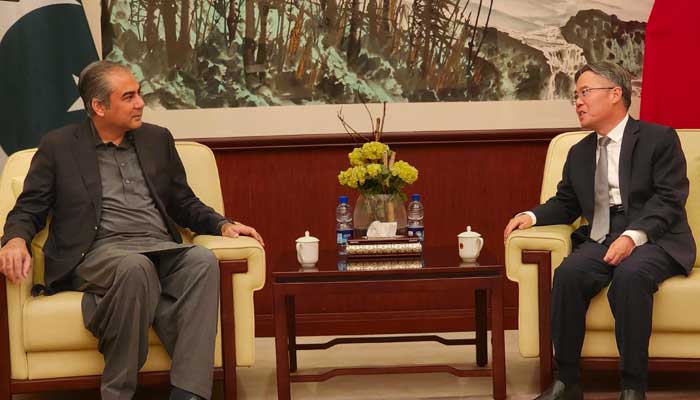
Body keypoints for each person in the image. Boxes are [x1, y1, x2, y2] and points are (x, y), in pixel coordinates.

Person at [0, 61, 264, 400]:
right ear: (99, 106)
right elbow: (29, 207)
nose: (140, 103)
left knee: (201, 261)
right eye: (128, 97)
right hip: (96, 252)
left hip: (158, 246)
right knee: (135, 268)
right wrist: (15, 239)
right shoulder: (59, 146)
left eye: (139, 93)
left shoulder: (157, 139)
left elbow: (183, 202)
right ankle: (118, 391)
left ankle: (188, 393)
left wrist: (222, 224)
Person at [504, 61, 695, 400]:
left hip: (656, 236)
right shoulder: (579, 152)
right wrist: (530, 216)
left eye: (585, 92)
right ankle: (567, 382)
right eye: (576, 95)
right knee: (568, 274)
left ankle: (632, 388)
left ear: (615, 94)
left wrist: (632, 237)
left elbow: (669, 200)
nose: (578, 101)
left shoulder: (659, 139)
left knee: (630, 276)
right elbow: (566, 203)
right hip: (602, 234)